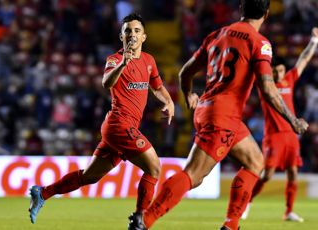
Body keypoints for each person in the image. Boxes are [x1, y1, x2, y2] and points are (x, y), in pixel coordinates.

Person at [128, 1, 308, 230]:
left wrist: (189, 95)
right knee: (193, 175)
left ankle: (231, 225)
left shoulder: (217, 34)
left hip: (213, 110)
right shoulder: (260, 43)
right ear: (267, 14)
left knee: (255, 162)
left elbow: (185, 72)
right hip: (223, 115)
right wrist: (293, 121)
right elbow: (268, 88)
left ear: (241, 10)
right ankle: (145, 220)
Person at [28, 13, 175, 224]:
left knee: (90, 177)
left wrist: (168, 102)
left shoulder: (149, 61)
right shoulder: (114, 59)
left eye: (136, 31)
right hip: (119, 125)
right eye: (127, 31)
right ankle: (140, 219)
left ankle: (42, 193)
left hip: (123, 129)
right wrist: (123, 62)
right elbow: (107, 83)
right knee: (154, 167)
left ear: (144, 37)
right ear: (121, 37)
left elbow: (158, 87)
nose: (132, 34)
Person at [242, 27, 318, 222]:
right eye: (275, 71)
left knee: (293, 173)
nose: (278, 75)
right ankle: (247, 202)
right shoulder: (265, 85)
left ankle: (288, 211)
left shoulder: (289, 80)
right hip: (274, 135)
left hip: (291, 135)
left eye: (281, 71)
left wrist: (314, 41)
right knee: (267, 174)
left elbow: (303, 60)